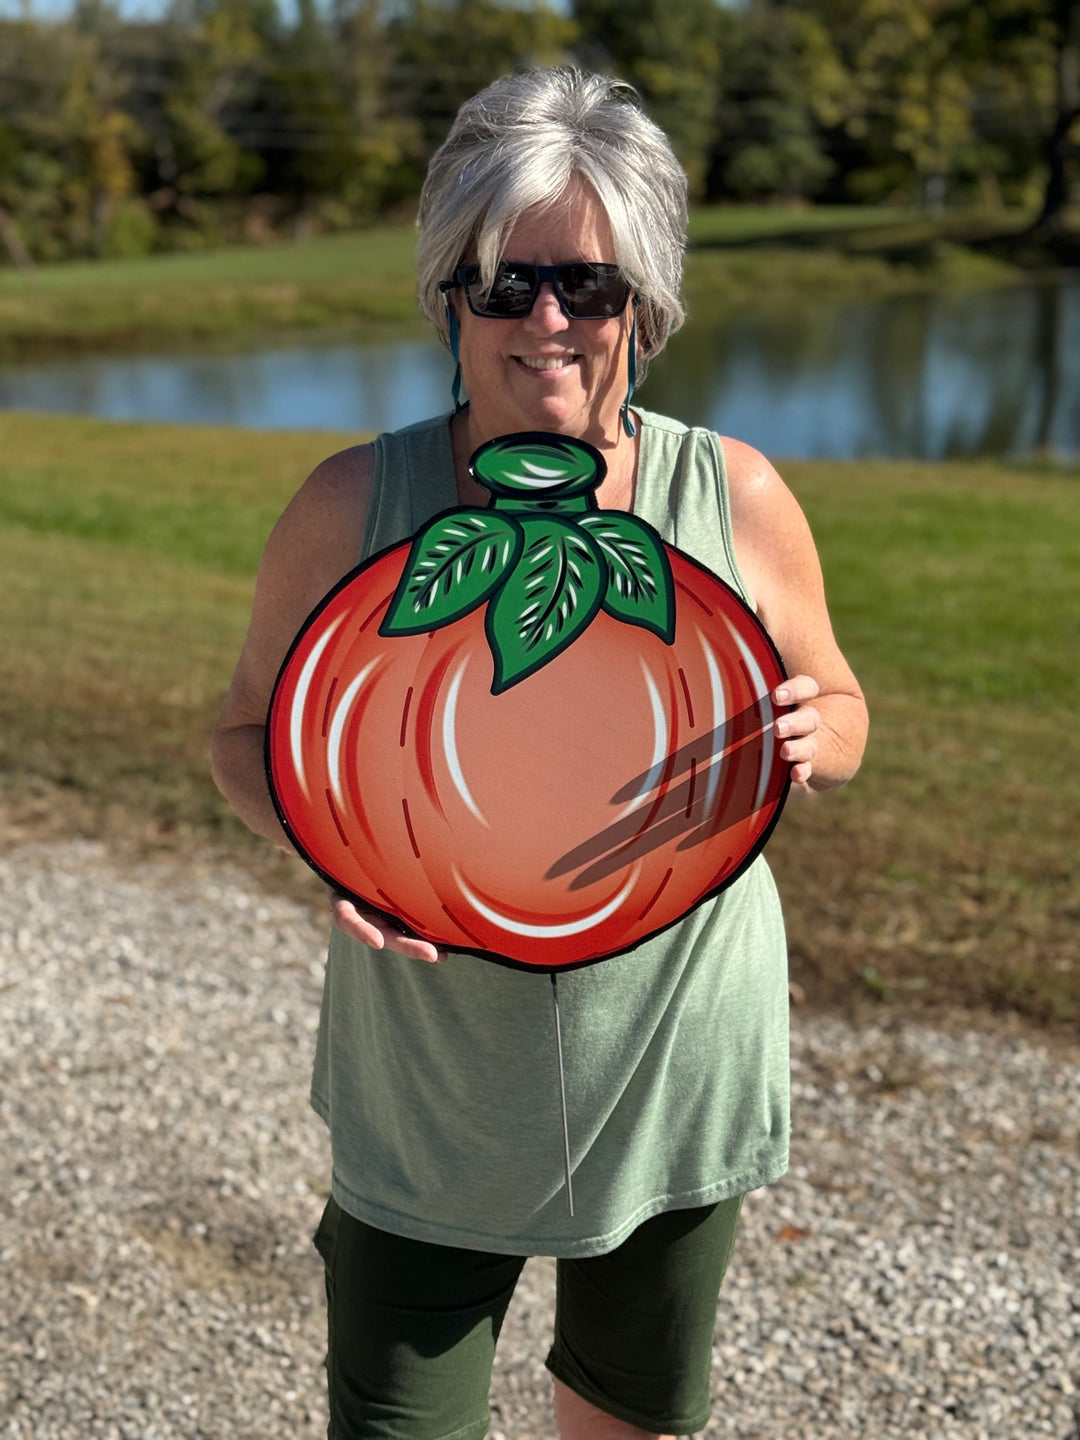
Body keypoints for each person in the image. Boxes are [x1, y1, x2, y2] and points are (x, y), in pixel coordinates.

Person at [211, 67, 868, 1440]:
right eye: (504, 283)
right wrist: (317, 831)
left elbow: (846, 710)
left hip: (673, 1068)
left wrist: (820, 731)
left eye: (592, 284)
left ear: (650, 302)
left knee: (627, 1420)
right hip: (432, 1092)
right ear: (450, 296)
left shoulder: (731, 493)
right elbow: (244, 735)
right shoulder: (357, 503)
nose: (549, 320)